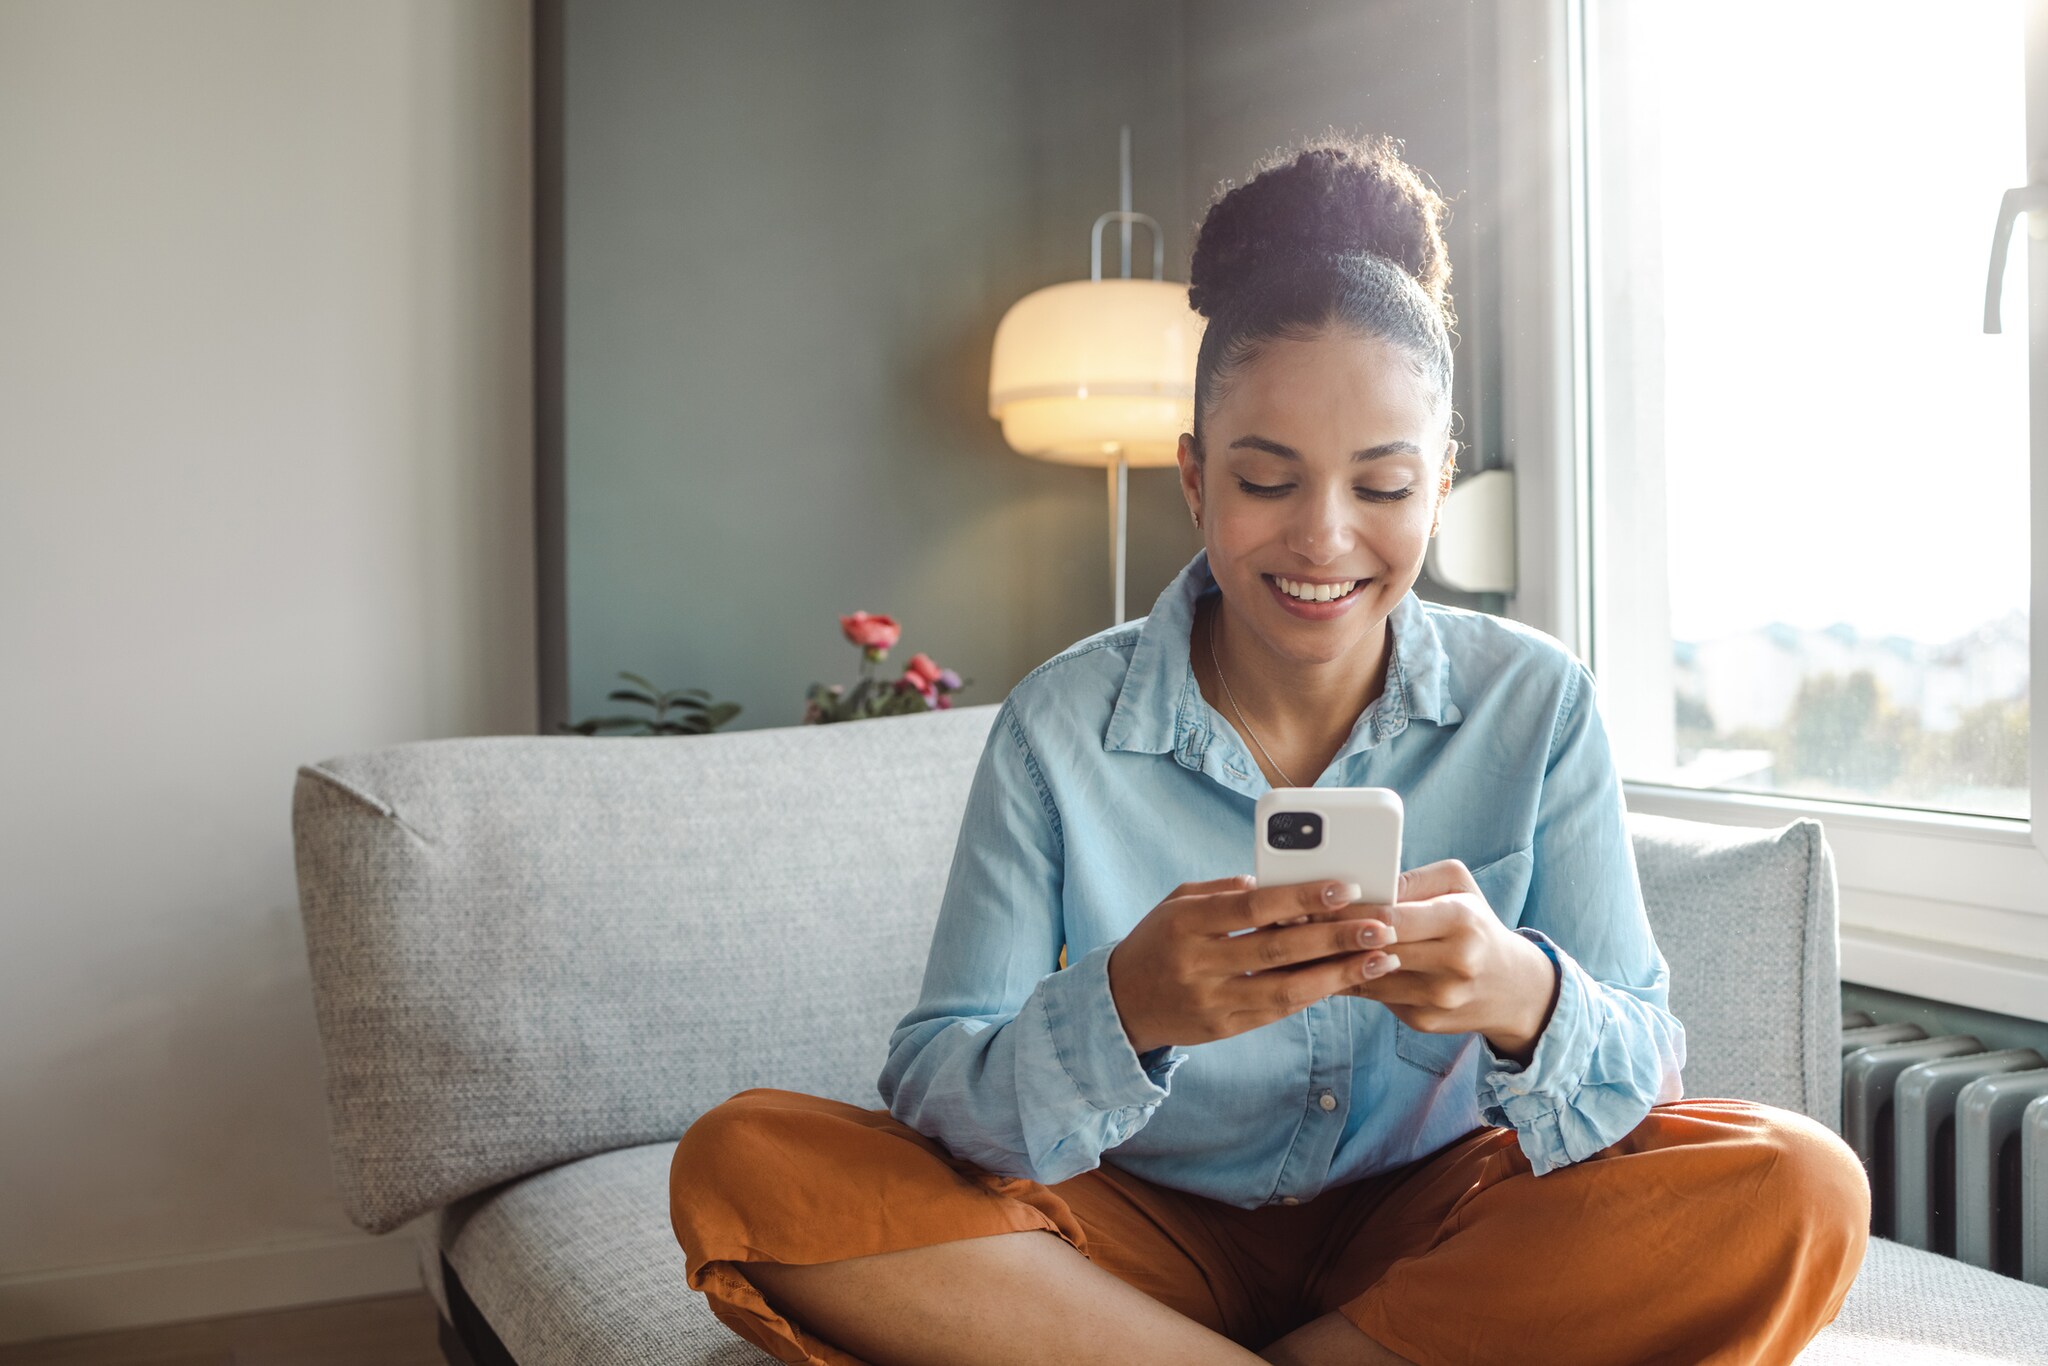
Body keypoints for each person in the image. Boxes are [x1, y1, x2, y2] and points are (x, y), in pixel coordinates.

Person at [670, 132, 1871, 1366]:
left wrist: (1519, 992)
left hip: (1432, 1237)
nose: (1323, 538)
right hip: (1130, 1236)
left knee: (1801, 1186)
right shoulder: (1057, 727)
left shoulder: (1538, 702)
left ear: (1437, 485)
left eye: (1381, 486)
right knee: (747, 1162)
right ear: (1193, 479)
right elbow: (936, 1084)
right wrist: (1126, 1006)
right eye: (1266, 479)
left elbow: (1644, 1077)